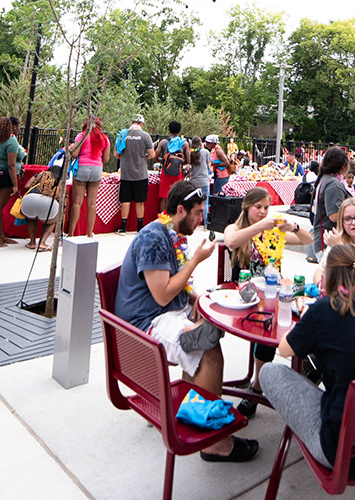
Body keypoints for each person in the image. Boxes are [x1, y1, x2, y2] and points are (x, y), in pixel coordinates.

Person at [116, 181, 258, 462]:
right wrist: (195, 261)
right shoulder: (153, 238)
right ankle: (213, 445)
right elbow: (161, 295)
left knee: (207, 331)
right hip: (148, 324)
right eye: (197, 213)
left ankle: (188, 409)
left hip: (169, 313)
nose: (201, 219)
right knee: (207, 348)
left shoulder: (169, 232)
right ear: (180, 210)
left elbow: (173, 284)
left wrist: (193, 298)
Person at [260, 243, 355, 477]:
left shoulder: (324, 310)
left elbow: (284, 349)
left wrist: (307, 321)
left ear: (329, 277)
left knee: (269, 372)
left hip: (344, 453)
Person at [223, 187, 313, 415]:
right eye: (258, 208)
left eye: (266, 208)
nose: (263, 213)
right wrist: (258, 227)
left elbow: (309, 240)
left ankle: (307, 367)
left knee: (306, 313)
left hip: (275, 293)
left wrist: (293, 226)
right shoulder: (237, 227)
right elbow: (231, 242)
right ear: (247, 207)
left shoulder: (272, 234)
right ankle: (257, 387)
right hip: (245, 295)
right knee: (269, 323)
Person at [68, 117, 111, 238]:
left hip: (82, 168)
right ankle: (89, 233)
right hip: (97, 169)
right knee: (92, 203)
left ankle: (71, 234)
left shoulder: (81, 136)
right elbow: (106, 159)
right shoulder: (104, 138)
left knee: (77, 203)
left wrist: (70, 150)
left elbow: (75, 154)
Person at [0, 117, 25, 246]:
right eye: (19, 126)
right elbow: (11, 165)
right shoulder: (11, 142)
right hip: (5, 176)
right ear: (13, 127)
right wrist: (15, 184)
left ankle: (1, 237)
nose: (20, 129)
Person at [310, 147, 353, 259]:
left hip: (324, 239)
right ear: (344, 165)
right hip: (329, 242)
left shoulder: (325, 179)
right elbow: (334, 215)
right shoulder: (333, 184)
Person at [115, 114, 155, 233]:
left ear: (131, 122)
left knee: (125, 201)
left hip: (126, 173)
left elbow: (116, 154)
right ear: (141, 124)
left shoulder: (122, 135)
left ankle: (123, 227)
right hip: (141, 173)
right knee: (140, 201)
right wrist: (143, 157)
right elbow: (152, 154)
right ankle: (140, 226)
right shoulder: (145, 136)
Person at [20, 167, 61, 252]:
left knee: (30, 218)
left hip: (30, 199)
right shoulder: (59, 181)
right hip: (48, 202)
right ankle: (42, 243)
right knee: (52, 221)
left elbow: (27, 186)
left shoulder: (40, 175)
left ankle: (32, 243)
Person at [155, 121, 191, 214]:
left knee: (164, 197)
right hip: (178, 173)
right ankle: (175, 219)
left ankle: (163, 220)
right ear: (179, 130)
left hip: (166, 172)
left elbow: (155, 157)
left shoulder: (164, 142)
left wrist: (163, 162)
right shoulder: (184, 143)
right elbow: (188, 160)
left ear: (169, 129)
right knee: (177, 196)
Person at [186, 136, 212, 221]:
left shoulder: (190, 153)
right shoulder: (205, 152)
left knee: (193, 203)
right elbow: (209, 164)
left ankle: (193, 220)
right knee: (205, 202)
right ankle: (205, 222)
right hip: (204, 180)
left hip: (194, 180)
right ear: (200, 143)